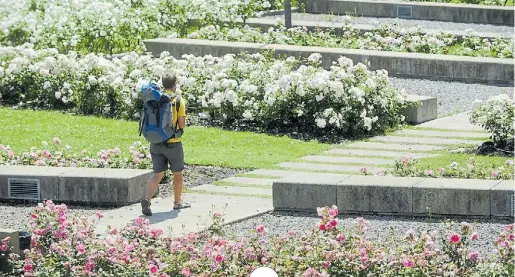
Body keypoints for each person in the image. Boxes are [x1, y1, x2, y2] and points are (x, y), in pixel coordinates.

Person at [140, 75, 190, 216]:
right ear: (175, 84)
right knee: (177, 173)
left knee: (157, 174)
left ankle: (147, 199)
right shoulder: (178, 100)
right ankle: (177, 202)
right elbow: (181, 124)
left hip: (155, 142)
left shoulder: (155, 98)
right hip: (173, 143)